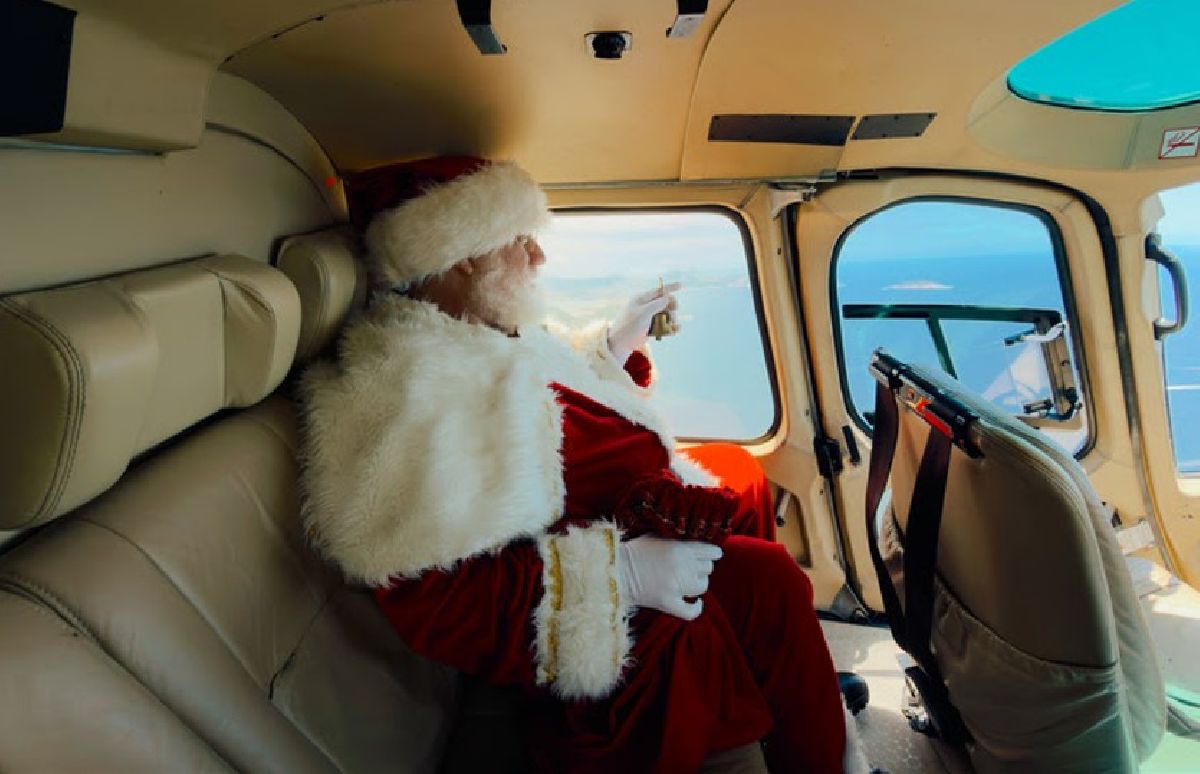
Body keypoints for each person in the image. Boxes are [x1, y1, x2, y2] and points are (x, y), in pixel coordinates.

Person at [298, 156, 868, 773]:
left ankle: (801, 711)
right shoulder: (409, 384)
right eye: (521, 240)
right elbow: (434, 600)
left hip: (617, 521)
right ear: (464, 252)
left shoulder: (480, 330)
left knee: (741, 485)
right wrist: (619, 571)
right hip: (575, 615)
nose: (537, 259)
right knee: (764, 578)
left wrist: (616, 348)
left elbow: (546, 398)